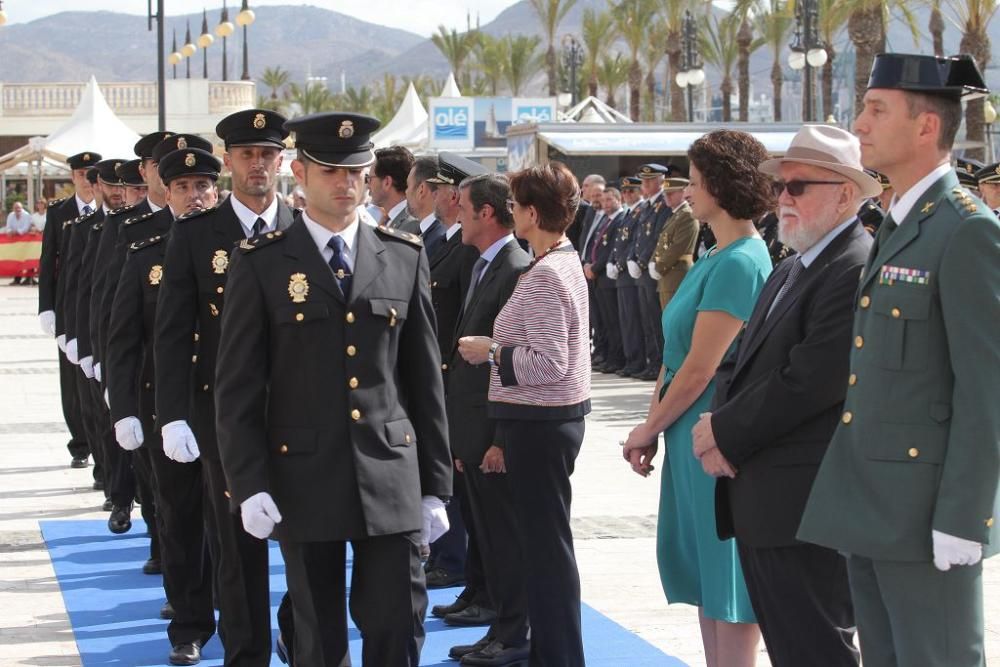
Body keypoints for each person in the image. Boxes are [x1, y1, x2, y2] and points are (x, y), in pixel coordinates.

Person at [215, 111, 453, 667]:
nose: (345, 183)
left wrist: (435, 484)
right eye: (329, 171)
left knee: (397, 621)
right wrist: (247, 481)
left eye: (356, 171)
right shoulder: (262, 263)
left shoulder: (402, 254)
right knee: (317, 635)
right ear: (299, 173)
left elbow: (423, 380)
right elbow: (239, 386)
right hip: (304, 474)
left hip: (389, 470)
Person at [799, 53, 1000, 667]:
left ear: (925, 129)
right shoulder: (898, 222)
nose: (859, 124)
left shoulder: (965, 230)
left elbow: (987, 391)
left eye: (876, 109)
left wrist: (965, 519)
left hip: (925, 517)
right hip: (871, 506)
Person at [692, 125, 881, 666]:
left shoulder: (854, 265)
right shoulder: (792, 266)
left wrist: (723, 433)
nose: (784, 198)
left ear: (846, 194)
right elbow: (740, 358)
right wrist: (716, 423)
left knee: (817, 649)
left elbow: (810, 380)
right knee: (789, 646)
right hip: (765, 503)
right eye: (781, 187)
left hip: (807, 508)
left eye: (799, 187)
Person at [621, 129, 774, 667]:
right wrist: (654, 424)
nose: (689, 191)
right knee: (708, 583)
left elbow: (698, 370)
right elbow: (673, 361)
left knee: (727, 588)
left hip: (712, 436)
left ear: (724, 184)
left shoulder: (741, 261)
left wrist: (648, 429)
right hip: (688, 434)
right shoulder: (716, 254)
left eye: (699, 180)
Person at [154, 110, 295, 667]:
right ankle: (247, 654)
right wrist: (172, 414)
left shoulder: (305, 225)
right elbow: (169, 333)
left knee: (309, 545)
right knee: (236, 550)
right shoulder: (195, 235)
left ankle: (295, 632)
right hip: (224, 417)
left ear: (281, 162)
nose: (257, 165)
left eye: (267, 154)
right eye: (246, 155)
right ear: (229, 162)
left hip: (299, 416)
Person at [458, 161, 591, 667]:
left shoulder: (548, 274)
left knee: (546, 550)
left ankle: (558, 653)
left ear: (533, 213)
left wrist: (491, 351)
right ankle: (553, 650)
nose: (511, 213)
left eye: (515, 205)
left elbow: (550, 363)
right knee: (542, 547)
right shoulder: (556, 262)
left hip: (541, 423)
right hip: (543, 420)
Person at [445, 172, 531, 665]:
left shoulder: (515, 269)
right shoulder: (482, 265)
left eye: (465, 205)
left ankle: (514, 633)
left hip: (494, 432)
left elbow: (512, 364)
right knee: (487, 536)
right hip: (472, 431)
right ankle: (499, 626)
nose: (456, 212)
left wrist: (499, 439)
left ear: (487, 213)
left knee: (504, 538)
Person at [38, 150, 99, 471]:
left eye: (92, 175)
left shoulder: (111, 213)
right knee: (72, 380)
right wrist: (46, 307)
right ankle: (80, 442)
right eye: (81, 174)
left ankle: (101, 440)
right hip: (68, 307)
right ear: (73, 177)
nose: (87, 181)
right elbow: (48, 262)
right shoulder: (59, 212)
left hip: (99, 307)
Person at [584, 187, 627, 374]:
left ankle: (616, 358)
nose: (606, 204)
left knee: (613, 321)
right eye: (605, 200)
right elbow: (594, 245)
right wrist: (587, 264)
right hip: (597, 277)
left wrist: (594, 267)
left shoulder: (620, 219)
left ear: (619, 200)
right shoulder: (605, 220)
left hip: (606, 276)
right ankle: (608, 356)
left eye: (610, 200)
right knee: (602, 321)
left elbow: (611, 250)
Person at [651, 176, 698, 310]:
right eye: (665, 193)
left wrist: (659, 266)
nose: (667, 196)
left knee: (675, 320)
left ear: (684, 192)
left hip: (678, 275)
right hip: (668, 276)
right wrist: (652, 260)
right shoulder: (675, 215)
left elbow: (678, 247)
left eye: (671, 193)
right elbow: (661, 242)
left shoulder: (687, 215)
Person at [371, 145, 417, 229]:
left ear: (387, 182)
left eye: (370, 178)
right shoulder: (392, 219)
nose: (368, 184)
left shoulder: (411, 224)